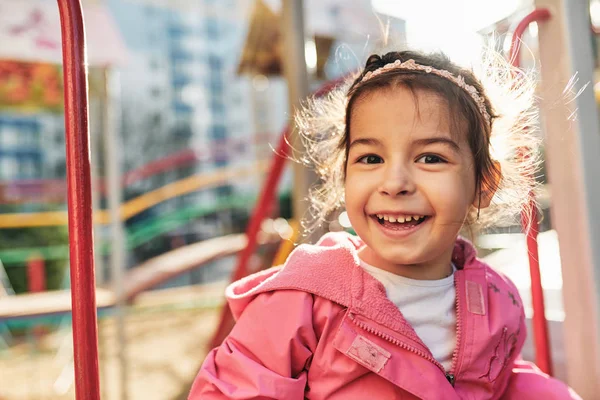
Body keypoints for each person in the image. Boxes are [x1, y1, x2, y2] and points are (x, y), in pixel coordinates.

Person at [188, 49, 581, 399]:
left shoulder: (496, 299)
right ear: (343, 177)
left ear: (483, 184)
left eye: (430, 158)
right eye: (370, 159)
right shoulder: (305, 301)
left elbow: (504, 381)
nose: (394, 184)